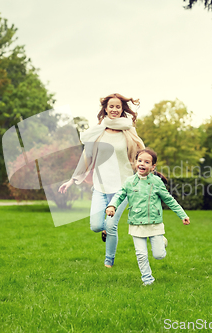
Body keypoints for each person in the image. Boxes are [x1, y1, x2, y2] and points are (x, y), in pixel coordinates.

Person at [58, 93, 145, 268]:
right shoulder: (97, 131)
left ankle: (108, 262)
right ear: (105, 108)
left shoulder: (129, 131)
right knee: (96, 225)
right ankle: (104, 230)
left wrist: (145, 175)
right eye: (111, 106)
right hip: (100, 186)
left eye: (118, 107)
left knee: (112, 225)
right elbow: (86, 157)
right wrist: (72, 180)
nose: (114, 109)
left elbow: (141, 155)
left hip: (122, 188)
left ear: (122, 110)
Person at [106, 148, 190, 285]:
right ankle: (147, 279)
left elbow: (169, 200)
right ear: (135, 163)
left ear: (152, 166)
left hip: (154, 223)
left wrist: (182, 215)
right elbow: (119, 195)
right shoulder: (129, 182)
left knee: (159, 255)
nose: (142, 164)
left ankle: (162, 242)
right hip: (136, 223)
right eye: (139, 161)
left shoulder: (156, 182)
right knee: (141, 255)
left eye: (146, 162)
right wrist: (112, 206)